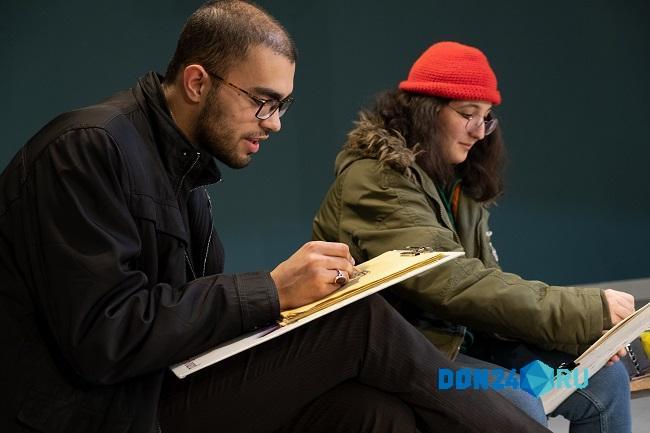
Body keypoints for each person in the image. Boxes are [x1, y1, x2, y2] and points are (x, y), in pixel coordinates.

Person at [0, 3, 556, 433]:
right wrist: (270, 291)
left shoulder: (184, 171)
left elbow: (183, 321)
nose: (274, 123)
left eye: (282, 106)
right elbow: (103, 338)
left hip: (150, 391)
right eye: (262, 101)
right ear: (197, 83)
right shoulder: (87, 148)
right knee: (358, 322)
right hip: (97, 412)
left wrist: (288, 305)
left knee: (373, 414)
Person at [312, 41, 635, 432]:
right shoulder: (377, 180)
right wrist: (587, 312)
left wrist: (584, 338)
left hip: (468, 342)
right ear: (424, 110)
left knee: (602, 379)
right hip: (409, 353)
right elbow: (456, 285)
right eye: (468, 114)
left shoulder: (454, 179)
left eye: (486, 118)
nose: (479, 132)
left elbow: (485, 291)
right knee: (517, 402)